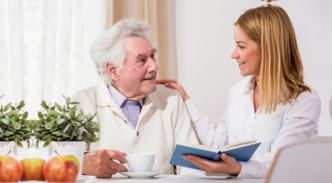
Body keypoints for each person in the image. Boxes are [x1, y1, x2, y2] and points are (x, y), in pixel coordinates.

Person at [157, 5, 321, 178]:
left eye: (241, 46)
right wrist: (185, 98)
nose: (233, 54)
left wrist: (238, 168)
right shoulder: (238, 92)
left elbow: (281, 161)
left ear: (268, 48)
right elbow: (217, 144)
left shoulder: (304, 100)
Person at [72, 19, 204, 178]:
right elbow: (57, 164)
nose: (154, 66)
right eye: (142, 60)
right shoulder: (83, 103)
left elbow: (192, 168)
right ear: (113, 71)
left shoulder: (171, 99)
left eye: (153, 57)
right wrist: (81, 163)